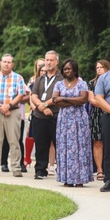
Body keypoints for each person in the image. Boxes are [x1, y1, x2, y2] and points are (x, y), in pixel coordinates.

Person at [51, 59, 93, 187]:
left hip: (79, 120)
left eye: (69, 68)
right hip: (64, 120)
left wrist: (64, 98)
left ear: (75, 69)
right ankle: (67, 179)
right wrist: (73, 100)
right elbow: (55, 100)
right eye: (65, 69)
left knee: (80, 147)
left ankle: (80, 179)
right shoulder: (59, 84)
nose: (67, 71)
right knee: (65, 147)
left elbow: (83, 100)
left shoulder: (82, 83)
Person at [0, 54, 27, 177]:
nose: (6, 64)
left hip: (13, 111)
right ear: (0, 63)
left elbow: (20, 95)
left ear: (12, 64)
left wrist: (9, 106)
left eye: (9, 62)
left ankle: (16, 168)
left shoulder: (18, 78)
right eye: (4, 62)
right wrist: (1, 106)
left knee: (14, 140)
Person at [29, 51, 60, 180]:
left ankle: (63, 170)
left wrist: (45, 105)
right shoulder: (40, 78)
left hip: (55, 115)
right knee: (41, 144)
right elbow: (34, 95)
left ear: (57, 61)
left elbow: (57, 96)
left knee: (59, 144)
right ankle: (40, 170)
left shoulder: (61, 78)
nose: (48, 62)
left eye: (51, 60)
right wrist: (41, 107)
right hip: (39, 116)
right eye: (47, 60)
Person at [88, 60, 110, 180]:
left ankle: (109, 169)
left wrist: (101, 101)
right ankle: (99, 169)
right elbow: (92, 100)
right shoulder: (92, 83)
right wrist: (106, 103)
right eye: (97, 67)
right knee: (98, 142)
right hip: (96, 115)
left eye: (101, 67)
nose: (99, 69)